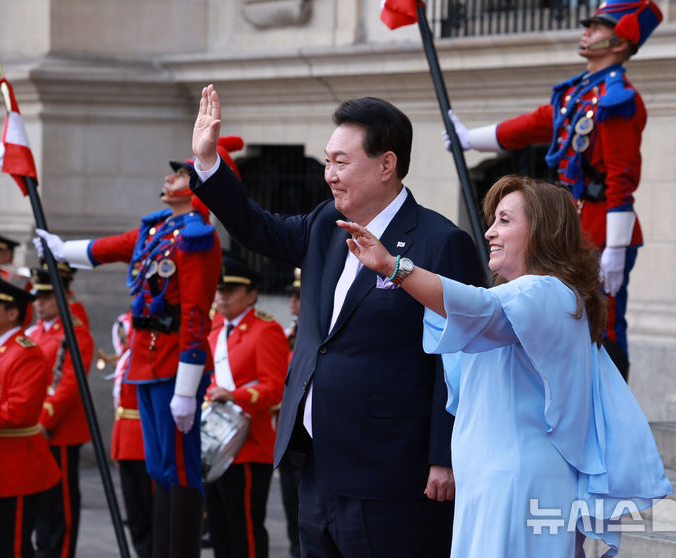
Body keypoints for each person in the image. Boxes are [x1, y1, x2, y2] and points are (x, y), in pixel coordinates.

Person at [190, 87, 485, 557]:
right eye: (327, 161)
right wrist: (208, 164)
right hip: (319, 464)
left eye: (341, 163)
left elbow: (459, 359)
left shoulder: (439, 242)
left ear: (386, 165)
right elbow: (255, 227)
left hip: (391, 472)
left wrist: (443, 457)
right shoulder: (327, 223)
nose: (329, 175)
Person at [338, 174, 673, 557]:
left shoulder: (545, 292)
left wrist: (394, 267)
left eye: (505, 220)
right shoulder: (524, 298)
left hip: (518, 485)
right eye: (492, 221)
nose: (490, 233)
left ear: (543, 232)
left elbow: (477, 308)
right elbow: (465, 315)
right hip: (494, 483)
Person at [443, 0, 662, 382]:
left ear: (620, 41)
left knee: (602, 322)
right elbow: (533, 124)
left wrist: (615, 246)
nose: (586, 30)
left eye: (597, 26)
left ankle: (609, 401)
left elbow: (620, 178)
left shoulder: (617, 99)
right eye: (589, 24)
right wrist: (471, 139)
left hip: (599, 226)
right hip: (571, 223)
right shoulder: (578, 95)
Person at [35, 155, 222, 558]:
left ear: (196, 187)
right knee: (158, 468)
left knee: (181, 470)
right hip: (145, 362)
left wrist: (188, 388)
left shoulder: (196, 237)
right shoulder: (156, 230)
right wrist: (60, 248)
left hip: (174, 365)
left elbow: (194, 316)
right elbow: (108, 248)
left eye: (181, 173)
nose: (169, 177)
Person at [204, 255, 288, 558]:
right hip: (216, 445)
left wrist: (234, 396)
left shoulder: (265, 330)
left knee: (245, 531)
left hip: (250, 445)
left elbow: (276, 389)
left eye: (231, 290)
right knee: (220, 528)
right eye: (220, 290)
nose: (222, 296)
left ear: (252, 294)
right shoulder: (214, 332)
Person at [0, 273, 61, 558]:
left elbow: (20, 412)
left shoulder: (25, 352)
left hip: (13, 469)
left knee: (10, 549)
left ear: (13, 313)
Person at [26, 267, 94, 558]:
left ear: (63, 296)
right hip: (36, 429)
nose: (39, 304)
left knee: (60, 505)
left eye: (46, 297)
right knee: (41, 503)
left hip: (58, 431)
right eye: (37, 298)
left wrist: (43, 421)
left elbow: (68, 382)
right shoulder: (39, 330)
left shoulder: (74, 330)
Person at [107, 310, 153, 558]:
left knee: (150, 510)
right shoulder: (126, 358)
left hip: (146, 443)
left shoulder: (148, 356)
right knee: (136, 516)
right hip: (126, 441)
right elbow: (120, 409)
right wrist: (116, 447)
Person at [278, 268, 304, 558]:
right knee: (291, 504)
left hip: (311, 430)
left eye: (298, 296)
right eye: (292, 297)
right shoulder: (286, 333)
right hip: (287, 429)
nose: (293, 302)